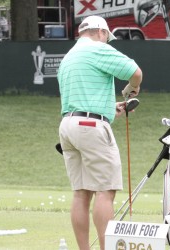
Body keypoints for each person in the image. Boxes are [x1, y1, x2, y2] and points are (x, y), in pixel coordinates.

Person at [57, 15, 143, 250]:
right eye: (107, 37)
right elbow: (136, 72)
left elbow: (81, 98)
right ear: (101, 32)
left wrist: (108, 109)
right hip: (90, 128)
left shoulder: (69, 57)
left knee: (81, 194)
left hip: (68, 126)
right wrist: (132, 89)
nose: (107, 41)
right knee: (105, 192)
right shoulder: (97, 49)